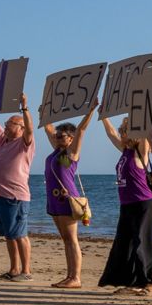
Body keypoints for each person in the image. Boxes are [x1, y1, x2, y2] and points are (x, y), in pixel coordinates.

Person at [98, 115, 152, 295]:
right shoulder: (125, 150)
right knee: (126, 243)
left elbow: (144, 132)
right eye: (122, 131)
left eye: (124, 131)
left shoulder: (141, 150)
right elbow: (110, 133)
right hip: (127, 204)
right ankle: (133, 282)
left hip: (143, 203)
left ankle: (149, 283)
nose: (121, 133)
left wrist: (138, 113)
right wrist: (103, 116)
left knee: (142, 241)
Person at [42, 107, 97, 289]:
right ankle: (69, 276)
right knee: (65, 239)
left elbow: (81, 130)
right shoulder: (57, 152)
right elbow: (49, 130)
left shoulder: (70, 154)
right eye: (57, 136)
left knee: (71, 239)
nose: (57, 137)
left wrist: (91, 110)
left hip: (67, 200)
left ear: (71, 138)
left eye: (61, 136)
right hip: (54, 200)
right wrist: (44, 114)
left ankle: (76, 278)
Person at [0, 97, 35, 280]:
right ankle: (13, 270)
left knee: (20, 234)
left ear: (19, 127)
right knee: (9, 235)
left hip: (15, 197)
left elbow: (29, 129)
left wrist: (25, 108)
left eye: (9, 123)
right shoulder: (3, 138)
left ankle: (26, 271)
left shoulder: (24, 143)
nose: (5, 125)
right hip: (0, 195)